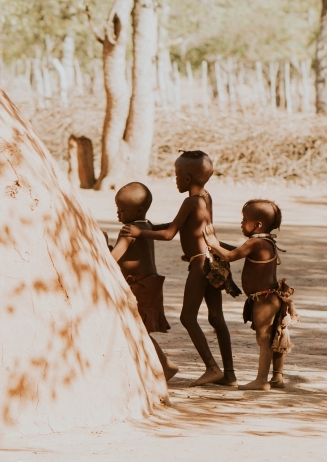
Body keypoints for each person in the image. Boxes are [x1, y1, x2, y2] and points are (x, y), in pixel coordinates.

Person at [120, 151, 236, 387]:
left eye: (176, 175)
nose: (174, 179)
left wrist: (140, 231)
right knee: (216, 318)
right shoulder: (206, 197)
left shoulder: (190, 201)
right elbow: (182, 226)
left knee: (187, 317)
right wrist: (149, 226)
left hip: (200, 263)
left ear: (187, 178)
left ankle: (212, 368)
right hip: (213, 260)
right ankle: (230, 374)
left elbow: (170, 233)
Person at [204, 200, 298, 390]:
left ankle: (261, 381)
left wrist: (214, 244)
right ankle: (277, 377)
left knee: (264, 339)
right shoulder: (266, 242)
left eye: (244, 219)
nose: (241, 223)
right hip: (271, 297)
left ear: (257, 225)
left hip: (264, 300)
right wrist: (218, 245)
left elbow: (230, 256)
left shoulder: (255, 242)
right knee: (275, 335)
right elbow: (238, 251)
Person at [110, 182, 179, 381]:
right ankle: (157, 366)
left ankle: (165, 366)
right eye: (117, 209)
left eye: (122, 210)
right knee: (138, 329)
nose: (118, 214)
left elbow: (112, 259)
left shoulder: (129, 230)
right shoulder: (146, 225)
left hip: (140, 286)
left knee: (136, 329)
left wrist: (99, 248)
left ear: (138, 210)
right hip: (151, 284)